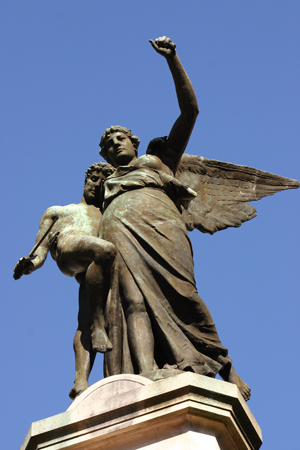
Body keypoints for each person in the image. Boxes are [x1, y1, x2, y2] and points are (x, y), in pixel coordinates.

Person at [98, 37, 251, 401]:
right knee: (132, 302)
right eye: (107, 145)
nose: (114, 145)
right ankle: (147, 370)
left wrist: (173, 60)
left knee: (185, 297)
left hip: (162, 230)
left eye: (120, 138)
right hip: (119, 235)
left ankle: (222, 364)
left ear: (134, 142)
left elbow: (190, 111)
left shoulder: (159, 161)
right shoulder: (104, 184)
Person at [13, 162, 116, 399]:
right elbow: (39, 251)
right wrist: (29, 264)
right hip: (71, 247)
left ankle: (80, 381)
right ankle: (100, 324)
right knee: (106, 250)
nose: (96, 187)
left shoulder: (106, 213)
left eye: (102, 185)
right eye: (93, 181)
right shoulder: (59, 211)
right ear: (85, 181)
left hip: (92, 271)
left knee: (84, 320)